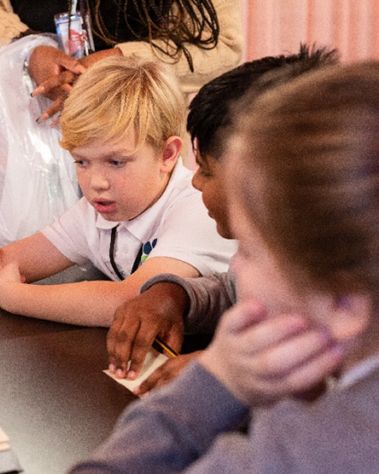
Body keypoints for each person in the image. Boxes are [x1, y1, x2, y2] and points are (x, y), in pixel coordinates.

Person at [39, 60, 379, 474]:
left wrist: (214, 383)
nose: (235, 269)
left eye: (251, 252)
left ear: (342, 304)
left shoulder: (304, 466)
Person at [0, 56, 235, 327]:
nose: (96, 182)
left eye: (116, 162)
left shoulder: (197, 208)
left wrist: (17, 298)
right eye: (82, 162)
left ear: (168, 154)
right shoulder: (95, 210)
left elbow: (131, 300)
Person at [106, 45, 338, 393]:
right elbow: (234, 290)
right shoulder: (278, 252)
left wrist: (235, 371)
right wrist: (173, 295)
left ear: (262, 176)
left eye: (208, 170)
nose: (195, 181)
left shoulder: (349, 269)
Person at [0, 0, 243, 120]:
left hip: (138, 134)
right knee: (15, 250)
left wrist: (120, 61)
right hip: (26, 128)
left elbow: (222, 47)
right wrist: (27, 49)